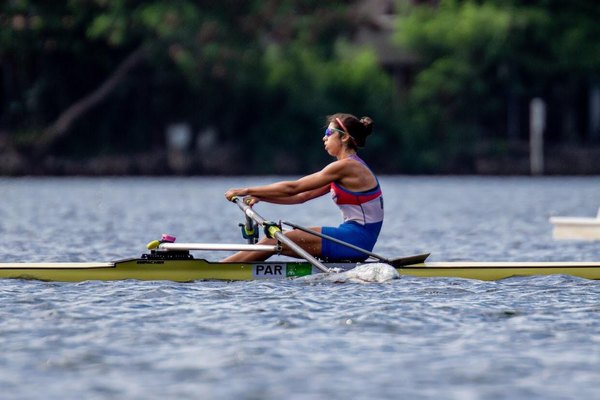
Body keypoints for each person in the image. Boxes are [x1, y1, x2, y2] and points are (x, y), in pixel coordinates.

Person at [223, 113, 383, 262]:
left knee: (274, 240)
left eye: (329, 132)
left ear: (345, 137)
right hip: (352, 239)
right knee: (275, 239)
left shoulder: (348, 167)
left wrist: (246, 190)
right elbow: (301, 197)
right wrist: (261, 196)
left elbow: (295, 187)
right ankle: (223, 268)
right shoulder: (344, 170)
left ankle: (217, 270)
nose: (324, 138)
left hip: (355, 240)